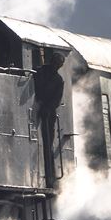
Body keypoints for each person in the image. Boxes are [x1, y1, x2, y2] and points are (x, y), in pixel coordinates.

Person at [34, 51, 66, 187]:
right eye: (56, 63)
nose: (57, 66)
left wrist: (47, 108)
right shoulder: (38, 72)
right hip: (37, 108)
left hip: (49, 115)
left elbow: (56, 100)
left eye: (59, 64)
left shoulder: (59, 81)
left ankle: (50, 178)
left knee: (48, 144)